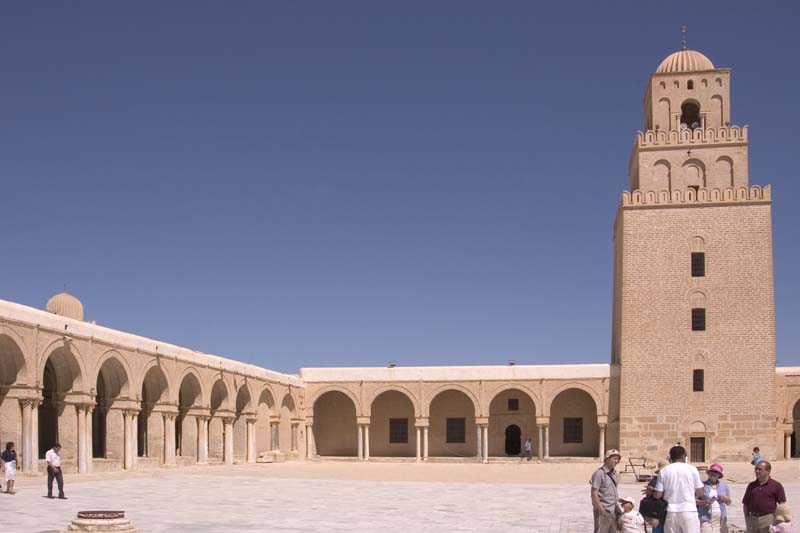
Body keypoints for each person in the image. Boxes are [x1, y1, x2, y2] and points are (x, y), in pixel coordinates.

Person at [653, 445, 703, 533]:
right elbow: (699, 493)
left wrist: (652, 491)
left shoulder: (664, 471)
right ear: (684, 456)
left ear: (670, 457)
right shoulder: (692, 469)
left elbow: (658, 495)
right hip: (689, 510)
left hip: (670, 512)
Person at [742, 460, 786, 533]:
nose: (757, 471)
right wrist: (747, 518)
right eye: (756, 469)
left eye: (760, 469)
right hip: (753, 519)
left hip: (768, 518)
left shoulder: (776, 485)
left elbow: (782, 504)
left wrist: (779, 519)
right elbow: (745, 503)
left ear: (768, 471)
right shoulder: (751, 485)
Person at [591, 449, 621, 533]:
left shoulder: (615, 473)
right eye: (614, 458)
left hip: (613, 510)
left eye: (618, 459)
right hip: (603, 510)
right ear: (607, 459)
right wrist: (601, 509)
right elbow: (594, 493)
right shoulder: (599, 473)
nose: (617, 461)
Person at [698, 463, 731, 533]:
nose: (713, 473)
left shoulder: (724, 486)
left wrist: (725, 498)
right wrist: (705, 502)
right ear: (709, 473)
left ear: (719, 475)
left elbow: (729, 502)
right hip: (706, 517)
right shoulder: (702, 485)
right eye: (711, 471)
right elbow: (695, 500)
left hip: (720, 519)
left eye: (716, 472)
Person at [644, 460, 670, 533]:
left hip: (669, 513)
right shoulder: (654, 482)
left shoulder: (670, 480)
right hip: (658, 514)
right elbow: (650, 500)